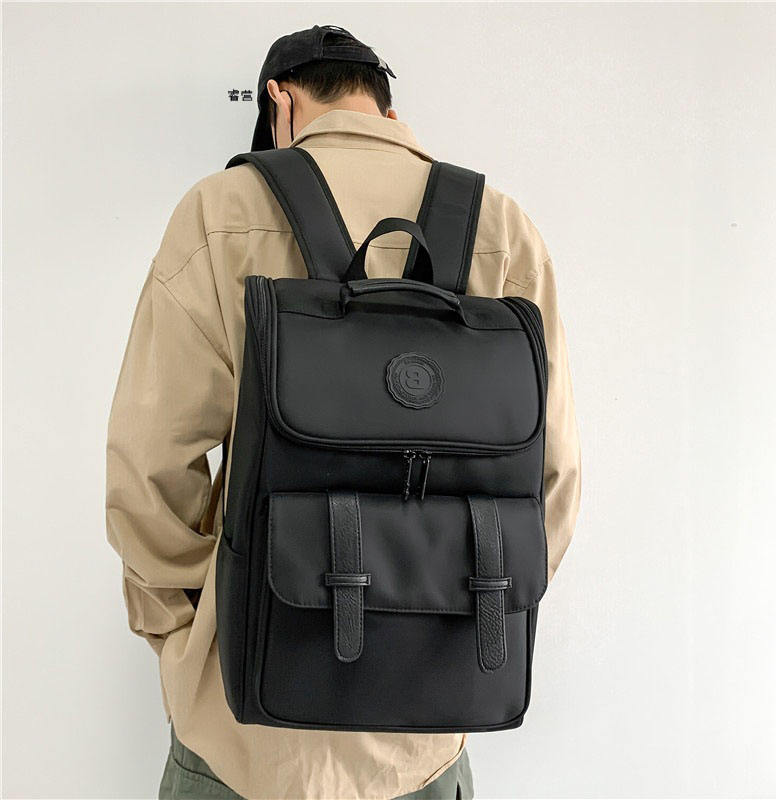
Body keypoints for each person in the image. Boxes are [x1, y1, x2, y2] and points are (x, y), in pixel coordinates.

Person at [105, 24, 581, 800]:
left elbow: (147, 467)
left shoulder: (220, 212)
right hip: (425, 740)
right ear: (385, 109)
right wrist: (460, 603)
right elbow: (552, 478)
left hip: (244, 738)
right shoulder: (501, 228)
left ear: (279, 102)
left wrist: (195, 631)